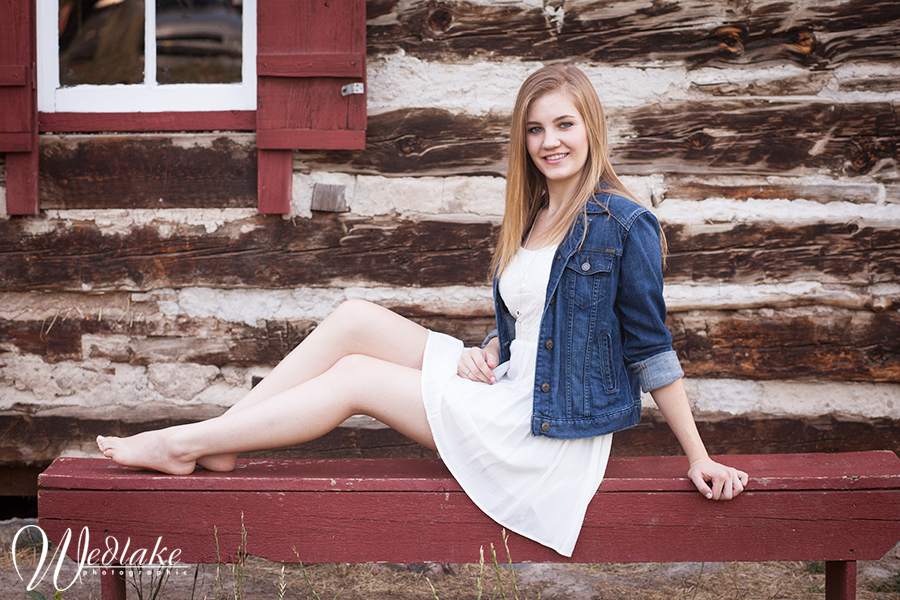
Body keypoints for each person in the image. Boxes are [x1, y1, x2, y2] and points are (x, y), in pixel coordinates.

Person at [98, 63, 748, 557]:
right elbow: (537, 321)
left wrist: (698, 456)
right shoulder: (534, 216)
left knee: (356, 377)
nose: (549, 141)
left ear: (591, 129)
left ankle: (183, 444)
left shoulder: (625, 224)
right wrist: (491, 347)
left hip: (542, 433)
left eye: (564, 125)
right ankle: (222, 439)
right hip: (508, 385)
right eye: (535, 129)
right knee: (355, 317)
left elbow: (650, 347)